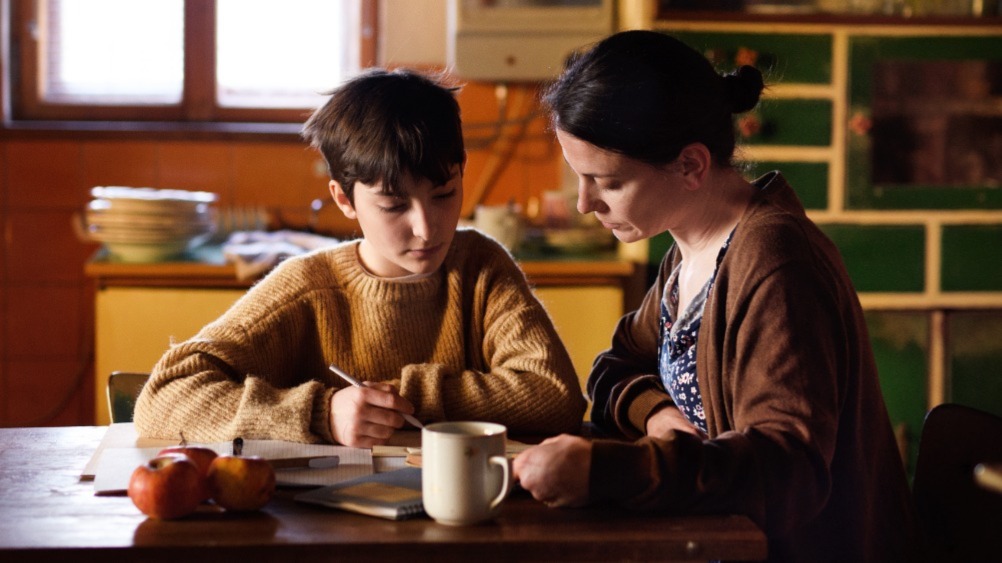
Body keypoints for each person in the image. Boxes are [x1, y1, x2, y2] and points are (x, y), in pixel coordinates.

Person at [512, 30, 920, 562]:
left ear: (691, 166)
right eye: (579, 178)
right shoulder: (690, 254)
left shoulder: (775, 263)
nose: (586, 203)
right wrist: (659, 415)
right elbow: (613, 367)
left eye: (606, 182)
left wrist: (607, 471)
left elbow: (789, 469)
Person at [134, 68, 585, 448]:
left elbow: (555, 396)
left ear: (461, 170)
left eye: (445, 194)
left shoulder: (480, 268)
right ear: (344, 198)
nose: (427, 228)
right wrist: (321, 414)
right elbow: (163, 398)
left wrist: (400, 398)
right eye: (393, 206)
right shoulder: (307, 288)